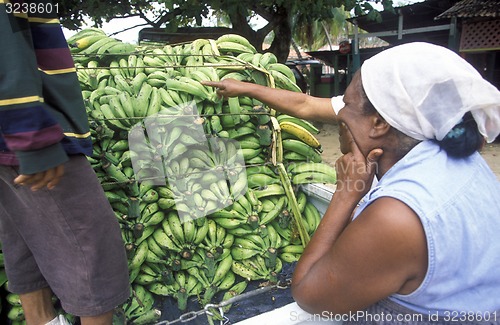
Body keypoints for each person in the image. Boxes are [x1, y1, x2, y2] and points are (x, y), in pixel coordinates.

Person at [204, 42, 500, 324]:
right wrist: (244, 88)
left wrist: (346, 194)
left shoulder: (396, 217)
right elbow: (307, 105)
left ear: (380, 124)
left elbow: (309, 295)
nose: (339, 113)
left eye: (346, 103)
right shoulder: (462, 161)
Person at [0, 2, 130, 325]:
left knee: (25, 242)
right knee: (96, 249)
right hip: (27, 131)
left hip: (10, 134)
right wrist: (32, 134)